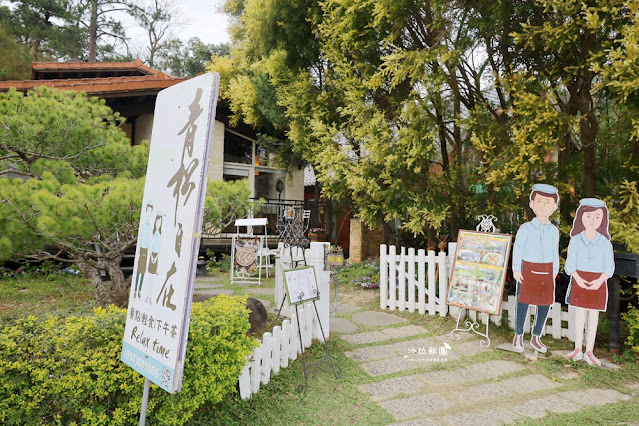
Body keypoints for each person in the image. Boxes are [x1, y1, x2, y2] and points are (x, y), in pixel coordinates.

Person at [564, 198, 614, 366]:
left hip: (598, 282)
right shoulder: (576, 240)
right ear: (581, 218)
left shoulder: (605, 243)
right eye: (589, 216)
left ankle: (590, 351)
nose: (592, 221)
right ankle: (577, 348)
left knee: (593, 317)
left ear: (602, 220)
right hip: (579, 280)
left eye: (597, 217)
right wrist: (578, 279)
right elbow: (570, 264)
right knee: (580, 316)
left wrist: (599, 281)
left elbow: (609, 267)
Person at [512, 184, 560, 353]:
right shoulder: (525, 228)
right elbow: (517, 248)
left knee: (544, 304)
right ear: (532, 203)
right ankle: (518, 335)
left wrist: (554, 272)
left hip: (547, 270)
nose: (543, 205)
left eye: (548, 202)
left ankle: (536, 337)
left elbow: (555, 252)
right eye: (539, 201)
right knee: (523, 302)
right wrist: (517, 269)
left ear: (554, 207)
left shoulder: (554, 231)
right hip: (528, 269)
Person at [134, 202, 153, 299]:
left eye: (151, 212)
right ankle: (135, 291)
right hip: (141, 250)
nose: (149, 214)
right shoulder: (143, 226)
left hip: (146, 251)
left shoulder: (150, 226)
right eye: (148, 211)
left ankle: (140, 291)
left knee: (143, 271)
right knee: (138, 271)